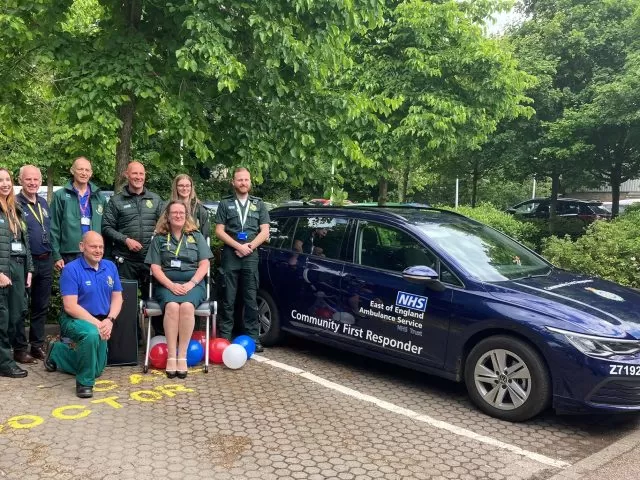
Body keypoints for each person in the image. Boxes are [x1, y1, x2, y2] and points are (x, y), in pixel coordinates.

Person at [44, 231, 123, 398]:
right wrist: (98, 324)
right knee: (91, 334)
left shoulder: (110, 267)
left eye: (101, 247)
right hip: (74, 319)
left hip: (102, 321)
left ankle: (57, 352)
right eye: (93, 246)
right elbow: (70, 306)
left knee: (97, 369)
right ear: (82, 247)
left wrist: (109, 321)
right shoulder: (71, 270)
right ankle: (84, 383)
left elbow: (118, 298)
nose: (98, 250)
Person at [145, 201, 212, 378]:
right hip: (167, 284)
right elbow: (155, 267)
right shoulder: (159, 238)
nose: (178, 215)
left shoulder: (195, 236)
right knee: (173, 307)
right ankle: (171, 356)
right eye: (174, 212)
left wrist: (191, 283)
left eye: (181, 212)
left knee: (188, 307)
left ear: (186, 215)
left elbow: (205, 263)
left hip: (194, 284)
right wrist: (171, 285)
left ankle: (182, 356)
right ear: (167, 216)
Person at [102, 161, 163, 335]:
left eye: (141, 174)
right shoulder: (116, 201)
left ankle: (157, 339)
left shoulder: (156, 199)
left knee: (155, 300)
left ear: (145, 176)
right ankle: (130, 342)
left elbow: (164, 225)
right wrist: (125, 240)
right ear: (127, 175)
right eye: (134, 174)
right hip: (125, 260)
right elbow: (106, 227)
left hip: (150, 260)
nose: (138, 177)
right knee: (125, 302)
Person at [215, 167, 270, 352]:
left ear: (250, 182)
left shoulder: (259, 204)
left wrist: (249, 247)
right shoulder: (225, 204)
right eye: (240, 180)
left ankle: (253, 339)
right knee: (228, 298)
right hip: (231, 255)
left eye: (246, 180)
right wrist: (238, 246)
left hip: (250, 256)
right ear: (233, 182)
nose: (243, 183)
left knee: (250, 299)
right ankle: (224, 337)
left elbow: (265, 231)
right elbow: (219, 231)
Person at [16, 165, 53, 361]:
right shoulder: (15, 204)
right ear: (20, 180)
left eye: (36, 179)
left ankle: (36, 345)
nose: (33, 183)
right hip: (24, 264)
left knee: (41, 306)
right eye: (28, 179)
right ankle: (20, 348)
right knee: (21, 306)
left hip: (46, 261)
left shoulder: (44, 203)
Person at [0, 168, 34, 376]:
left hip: (19, 266)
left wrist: (29, 269)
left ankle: (7, 356)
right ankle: (4, 363)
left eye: (7, 180)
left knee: (16, 315)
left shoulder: (15, 208)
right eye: (0, 180)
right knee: (2, 317)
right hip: (3, 269)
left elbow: (25, 241)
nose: (4, 184)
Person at [50, 157, 107, 270]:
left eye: (87, 170)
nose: (84, 173)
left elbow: (105, 227)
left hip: (94, 251)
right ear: (72, 171)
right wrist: (56, 255)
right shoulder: (60, 195)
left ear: (91, 173)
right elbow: (53, 227)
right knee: (71, 286)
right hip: (70, 252)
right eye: (80, 169)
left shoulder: (99, 197)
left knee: (93, 286)